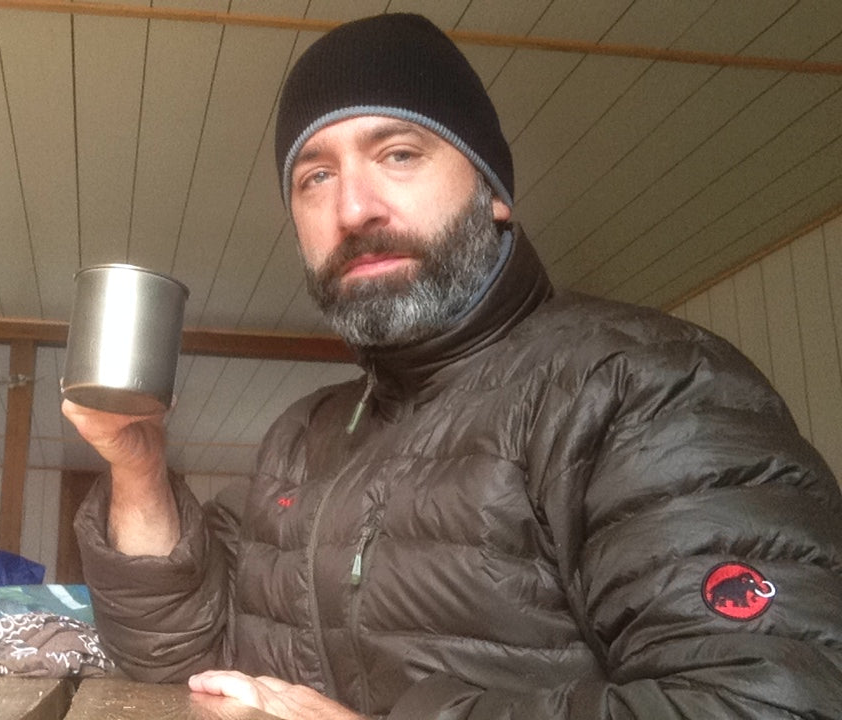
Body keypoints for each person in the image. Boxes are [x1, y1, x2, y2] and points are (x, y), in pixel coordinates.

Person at [62, 13, 842, 719]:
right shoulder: (302, 437)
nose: (354, 208)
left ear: (493, 191)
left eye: (398, 153)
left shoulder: (640, 388)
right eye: (315, 176)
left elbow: (770, 699)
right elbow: (180, 661)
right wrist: (138, 465)